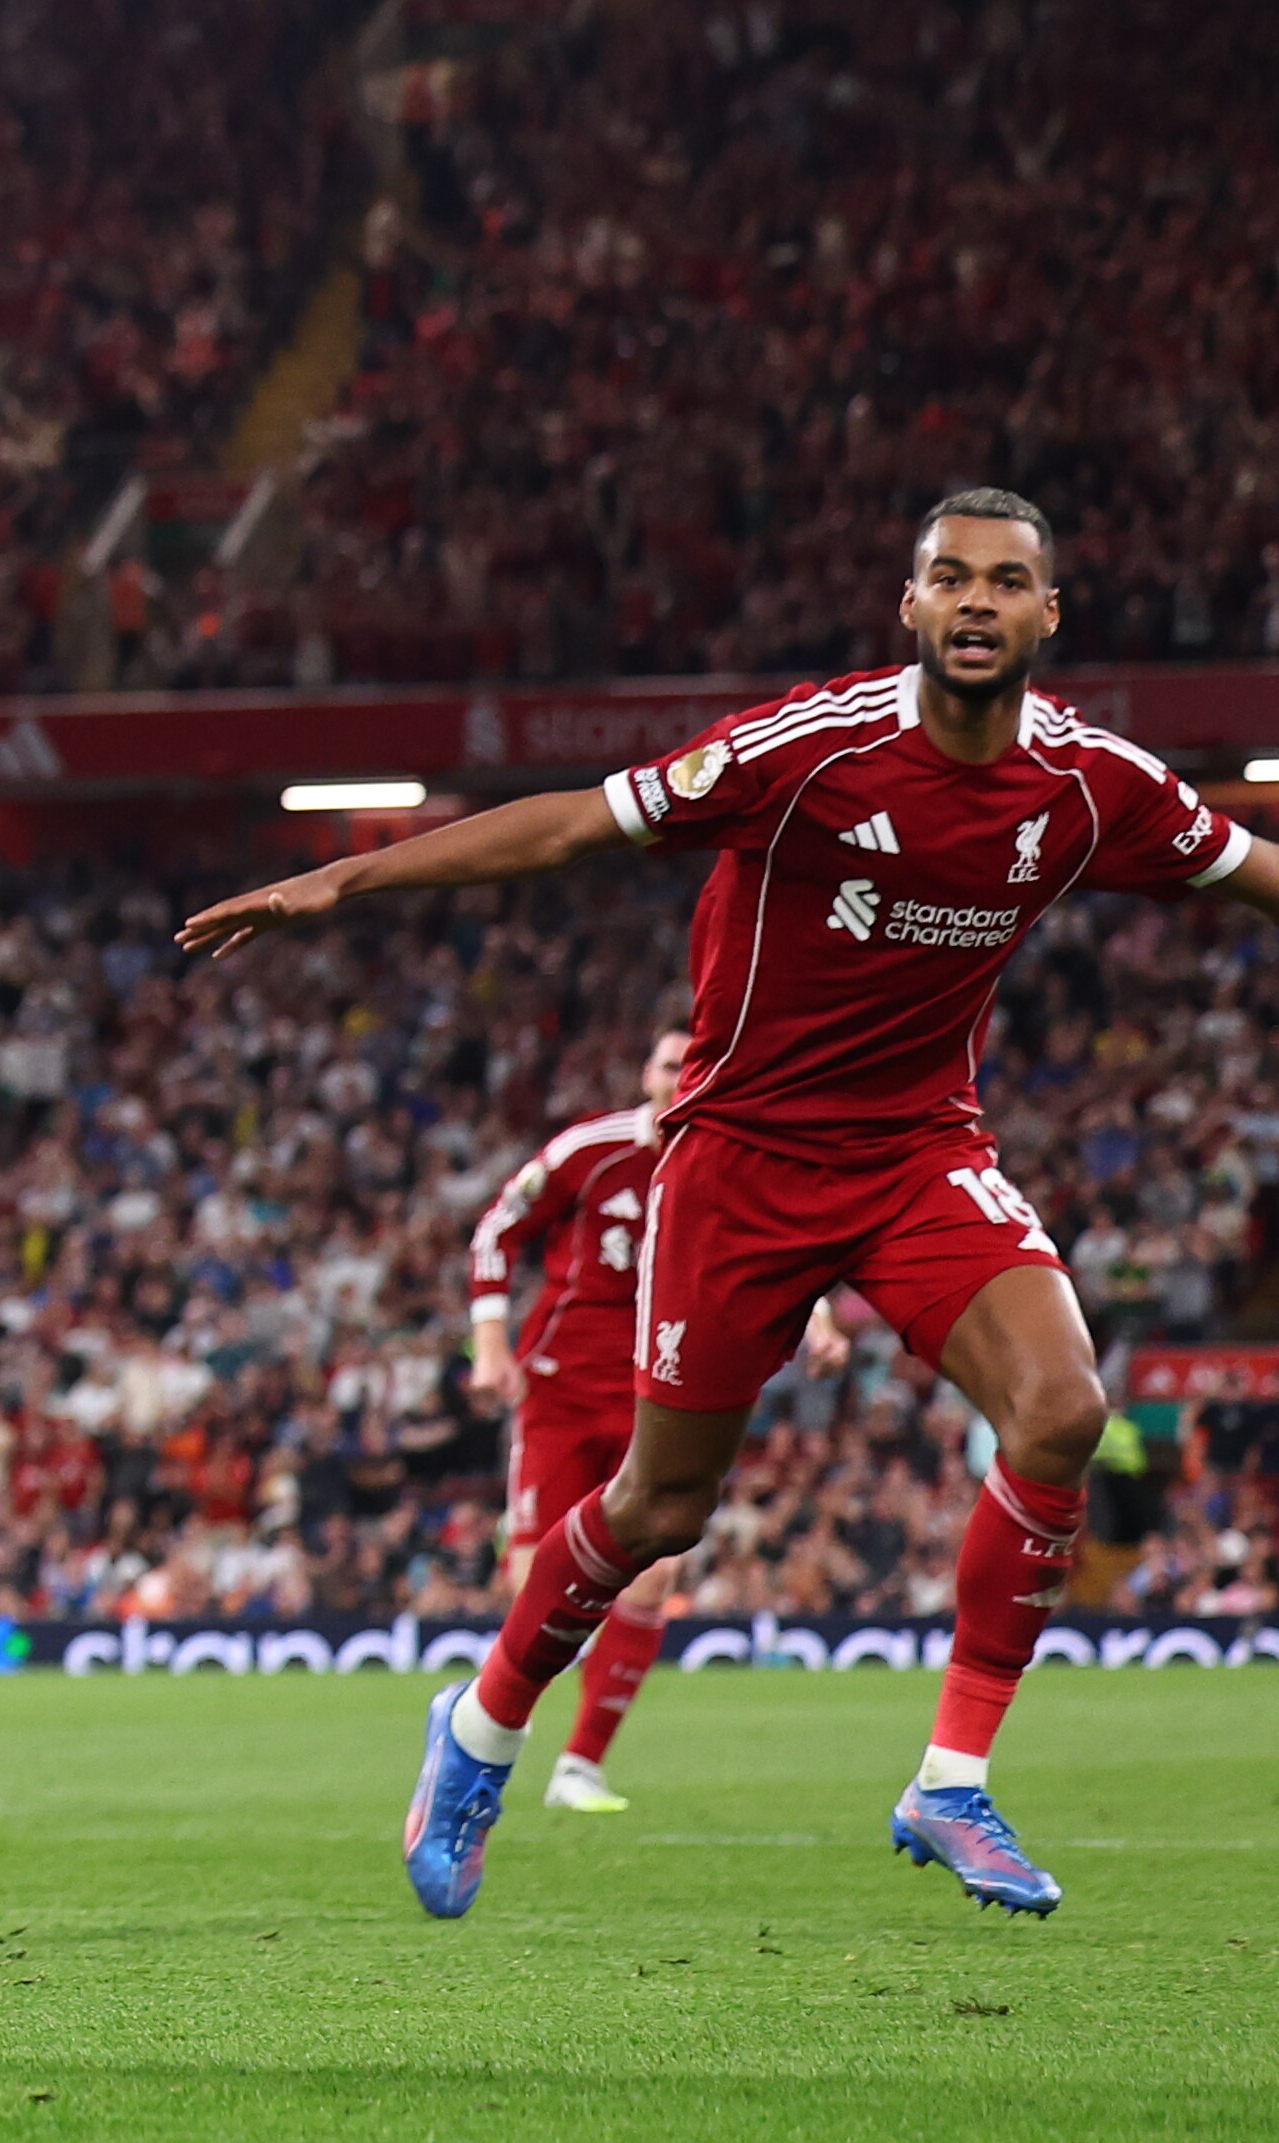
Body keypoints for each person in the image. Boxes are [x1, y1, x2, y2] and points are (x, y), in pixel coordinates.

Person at [182, 488, 1278, 1919]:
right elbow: (578, 822)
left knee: (1062, 1407)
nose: (971, 602)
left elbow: (1252, 872)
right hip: (740, 1160)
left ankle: (948, 1781)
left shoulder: (1085, 783)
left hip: (915, 1152)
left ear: (1043, 615)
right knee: (656, 1504)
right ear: (907, 603)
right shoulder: (809, 748)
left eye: (1003, 582)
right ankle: (479, 1727)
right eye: (945, 576)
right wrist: (350, 879)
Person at [466, 1027, 848, 1813]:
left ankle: (580, 1765)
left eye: (692, 1066)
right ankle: (491, 1732)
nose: (679, 1079)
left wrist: (820, 1326)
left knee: (657, 1569)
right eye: (669, 1064)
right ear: (646, 1073)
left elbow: (781, 1259)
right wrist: (489, 1346)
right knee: (529, 1576)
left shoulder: (732, 1162)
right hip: (561, 1388)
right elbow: (498, 1228)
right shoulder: (589, 1150)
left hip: (661, 1390)